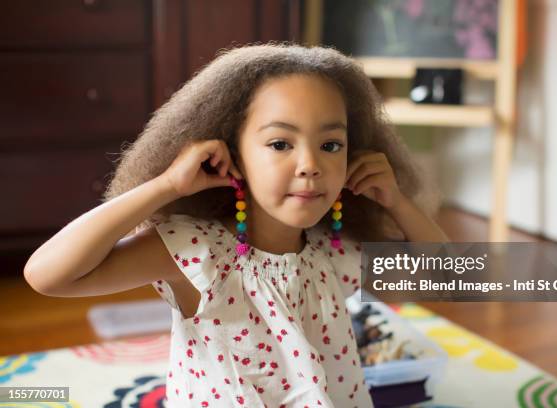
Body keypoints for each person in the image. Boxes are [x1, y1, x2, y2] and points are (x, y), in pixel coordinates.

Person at [24, 42, 448, 407]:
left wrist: (397, 201)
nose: (311, 165)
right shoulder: (199, 253)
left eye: (331, 145)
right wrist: (166, 185)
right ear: (233, 153)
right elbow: (47, 275)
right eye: (280, 143)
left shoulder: (335, 250)